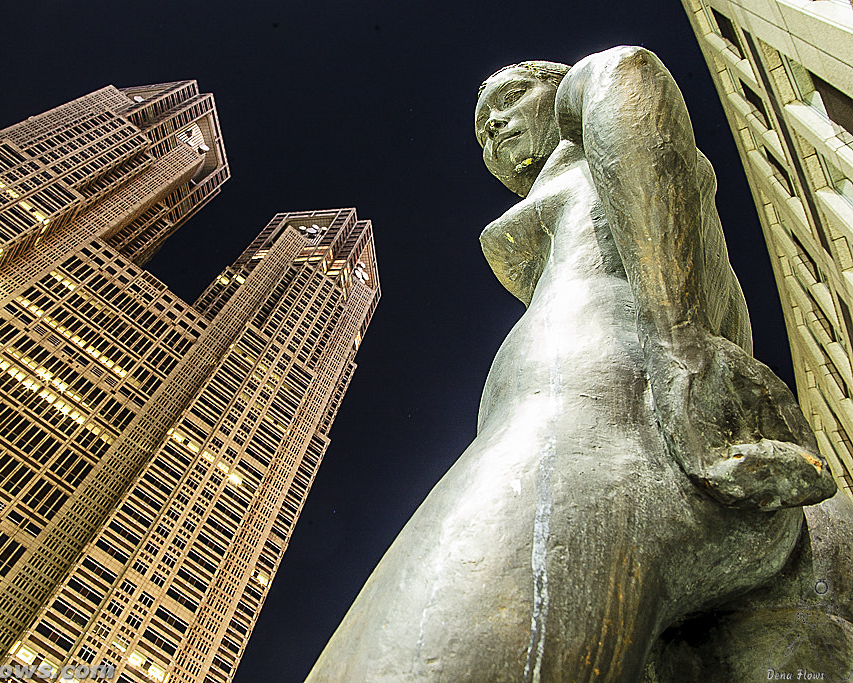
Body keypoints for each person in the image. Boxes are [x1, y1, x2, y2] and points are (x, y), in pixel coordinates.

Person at [304, 47, 839, 682]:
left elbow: (629, 72)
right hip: (686, 485)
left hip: (607, 429)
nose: (494, 128)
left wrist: (678, 346)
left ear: (557, 96)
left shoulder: (592, 104)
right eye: (482, 130)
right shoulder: (611, 213)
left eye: (509, 102)